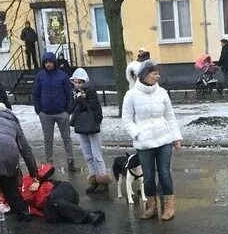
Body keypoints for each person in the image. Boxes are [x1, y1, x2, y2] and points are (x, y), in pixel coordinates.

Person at [122, 60, 182, 221]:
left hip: (164, 140)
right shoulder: (131, 95)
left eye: (158, 73)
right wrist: (138, 134)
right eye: (155, 73)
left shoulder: (161, 92)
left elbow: (170, 115)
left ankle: (169, 208)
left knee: (164, 173)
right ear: (144, 75)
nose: (158, 76)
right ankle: (152, 207)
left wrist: (175, 137)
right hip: (144, 143)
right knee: (148, 176)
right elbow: (127, 119)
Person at [16, 164, 105, 225]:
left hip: (61, 189)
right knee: (49, 218)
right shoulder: (13, 194)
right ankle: (88, 211)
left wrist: (37, 181)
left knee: (53, 201)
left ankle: (89, 216)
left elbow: (49, 167)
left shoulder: (30, 176)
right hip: (56, 205)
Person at [33, 52, 76, 171]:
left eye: (50, 62)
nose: (48, 64)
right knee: (48, 140)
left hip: (62, 113)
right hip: (45, 114)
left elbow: (69, 94)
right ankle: (49, 164)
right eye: (46, 62)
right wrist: (38, 110)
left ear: (54, 63)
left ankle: (70, 161)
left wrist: (68, 110)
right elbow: (36, 93)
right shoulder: (40, 76)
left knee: (66, 138)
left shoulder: (63, 76)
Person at [69, 68, 110, 194]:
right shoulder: (74, 93)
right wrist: (77, 98)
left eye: (80, 82)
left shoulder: (91, 91)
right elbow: (70, 108)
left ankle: (102, 179)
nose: (77, 85)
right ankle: (94, 179)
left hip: (92, 125)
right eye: (75, 82)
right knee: (87, 154)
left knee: (96, 154)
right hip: (81, 126)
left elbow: (91, 108)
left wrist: (81, 99)